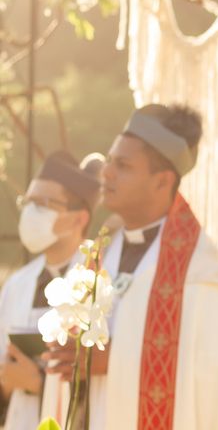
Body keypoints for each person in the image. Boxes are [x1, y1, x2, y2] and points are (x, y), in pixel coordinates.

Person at [41, 104, 218, 429]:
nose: (106, 172)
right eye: (109, 160)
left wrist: (112, 362)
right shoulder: (93, 259)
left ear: (162, 182)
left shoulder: (204, 279)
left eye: (123, 165)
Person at [0, 151, 102, 430]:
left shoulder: (99, 280)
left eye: (42, 204)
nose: (30, 212)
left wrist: (40, 383)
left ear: (79, 219)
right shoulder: (16, 284)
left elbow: (107, 377)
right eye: (28, 202)